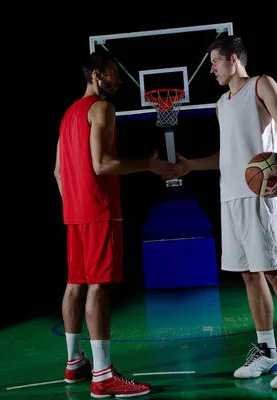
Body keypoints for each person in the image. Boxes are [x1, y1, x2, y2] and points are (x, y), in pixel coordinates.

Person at [174, 35, 277, 390]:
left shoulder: (261, 85)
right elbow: (228, 156)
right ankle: (267, 350)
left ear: (233, 60)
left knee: (275, 272)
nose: (211, 69)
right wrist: (191, 165)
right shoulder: (222, 103)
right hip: (230, 198)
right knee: (249, 275)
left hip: (261, 195)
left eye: (215, 62)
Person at [54, 51, 179, 398]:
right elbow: (103, 164)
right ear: (97, 75)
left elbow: (59, 173)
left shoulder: (67, 115)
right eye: (113, 74)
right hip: (99, 211)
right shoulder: (103, 109)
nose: (119, 80)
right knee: (99, 287)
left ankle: (74, 363)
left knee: (75, 284)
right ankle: (103, 376)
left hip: (75, 214)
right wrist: (150, 166)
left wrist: (75, 206)